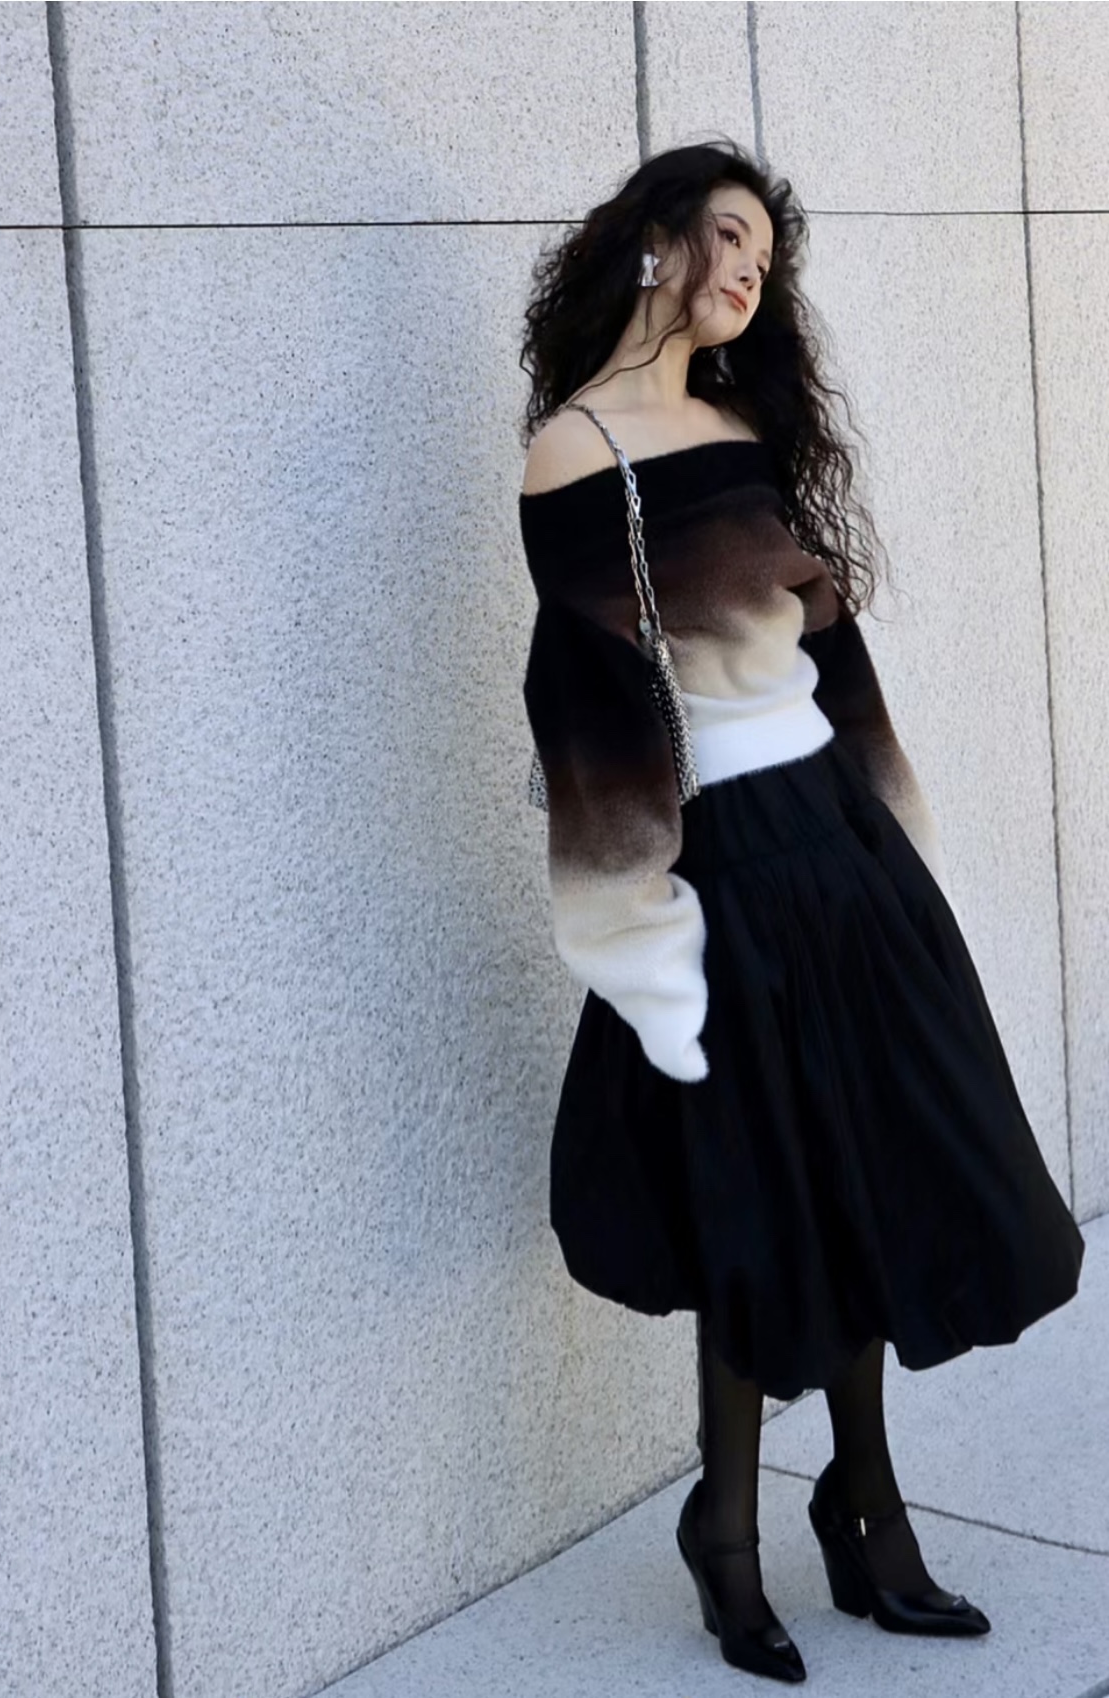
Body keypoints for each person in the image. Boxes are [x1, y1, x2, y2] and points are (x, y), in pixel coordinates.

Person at [515, 138, 1085, 1685]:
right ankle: (730, 1529)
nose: (750, 272)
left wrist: (893, 831)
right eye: (729, 236)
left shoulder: (737, 426)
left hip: (834, 838)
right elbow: (585, 709)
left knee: (868, 1172)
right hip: (722, 860)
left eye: (766, 257)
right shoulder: (575, 452)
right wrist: (641, 944)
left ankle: (865, 1506)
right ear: (656, 241)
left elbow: (829, 653)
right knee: (755, 1207)